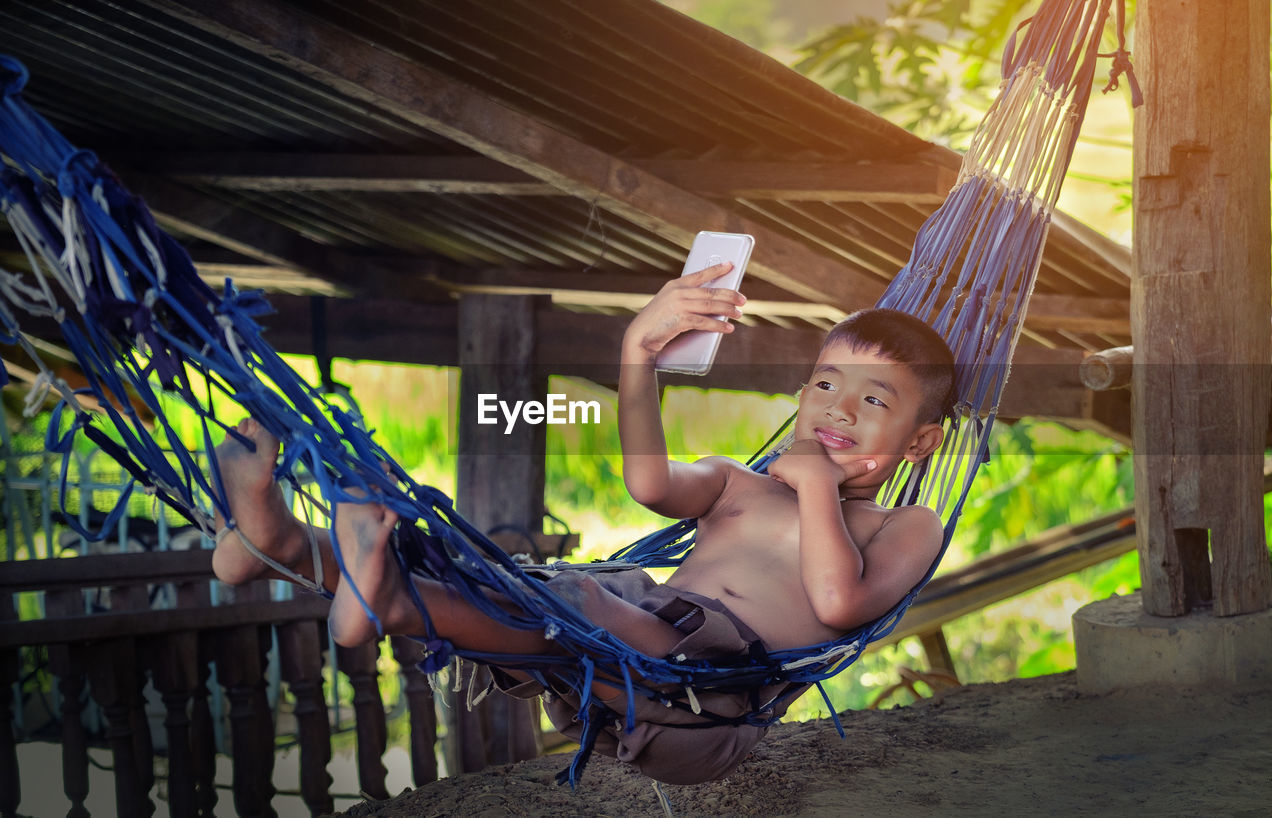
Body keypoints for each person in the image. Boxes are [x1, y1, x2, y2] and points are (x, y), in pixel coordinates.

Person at [208, 261, 956, 784]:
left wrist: (821, 491)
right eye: (826, 383)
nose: (838, 407)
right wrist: (638, 350)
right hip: (633, 644)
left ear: (921, 443)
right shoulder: (740, 483)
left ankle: (376, 596)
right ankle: (278, 545)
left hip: (707, 702)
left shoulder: (907, 525)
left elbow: (838, 604)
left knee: (579, 600)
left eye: (875, 400)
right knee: (506, 583)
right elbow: (650, 483)